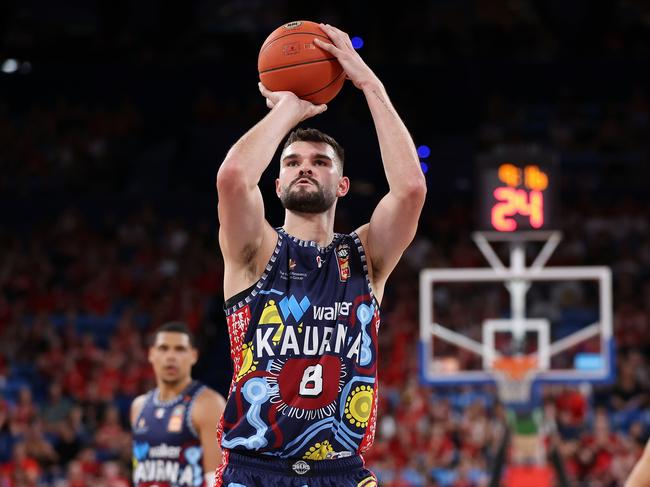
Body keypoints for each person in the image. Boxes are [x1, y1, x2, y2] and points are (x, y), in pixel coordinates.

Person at [215, 22, 426, 486]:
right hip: (254, 469)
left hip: (342, 471)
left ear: (342, 185)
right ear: (277, 184)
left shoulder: (365, 255)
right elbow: (232, 179)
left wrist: (370, 84)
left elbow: (410, 189)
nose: (304, 168)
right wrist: (288, 111)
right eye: (292, 162)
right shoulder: (254, 251)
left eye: (320, 162)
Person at [131, 321, 226, 487]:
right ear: (151, 354)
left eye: (180, 349)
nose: (171, 356)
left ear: (194, 356)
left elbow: (216, 480)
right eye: (163, 348)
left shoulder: (209, 404)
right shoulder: (139, 406)